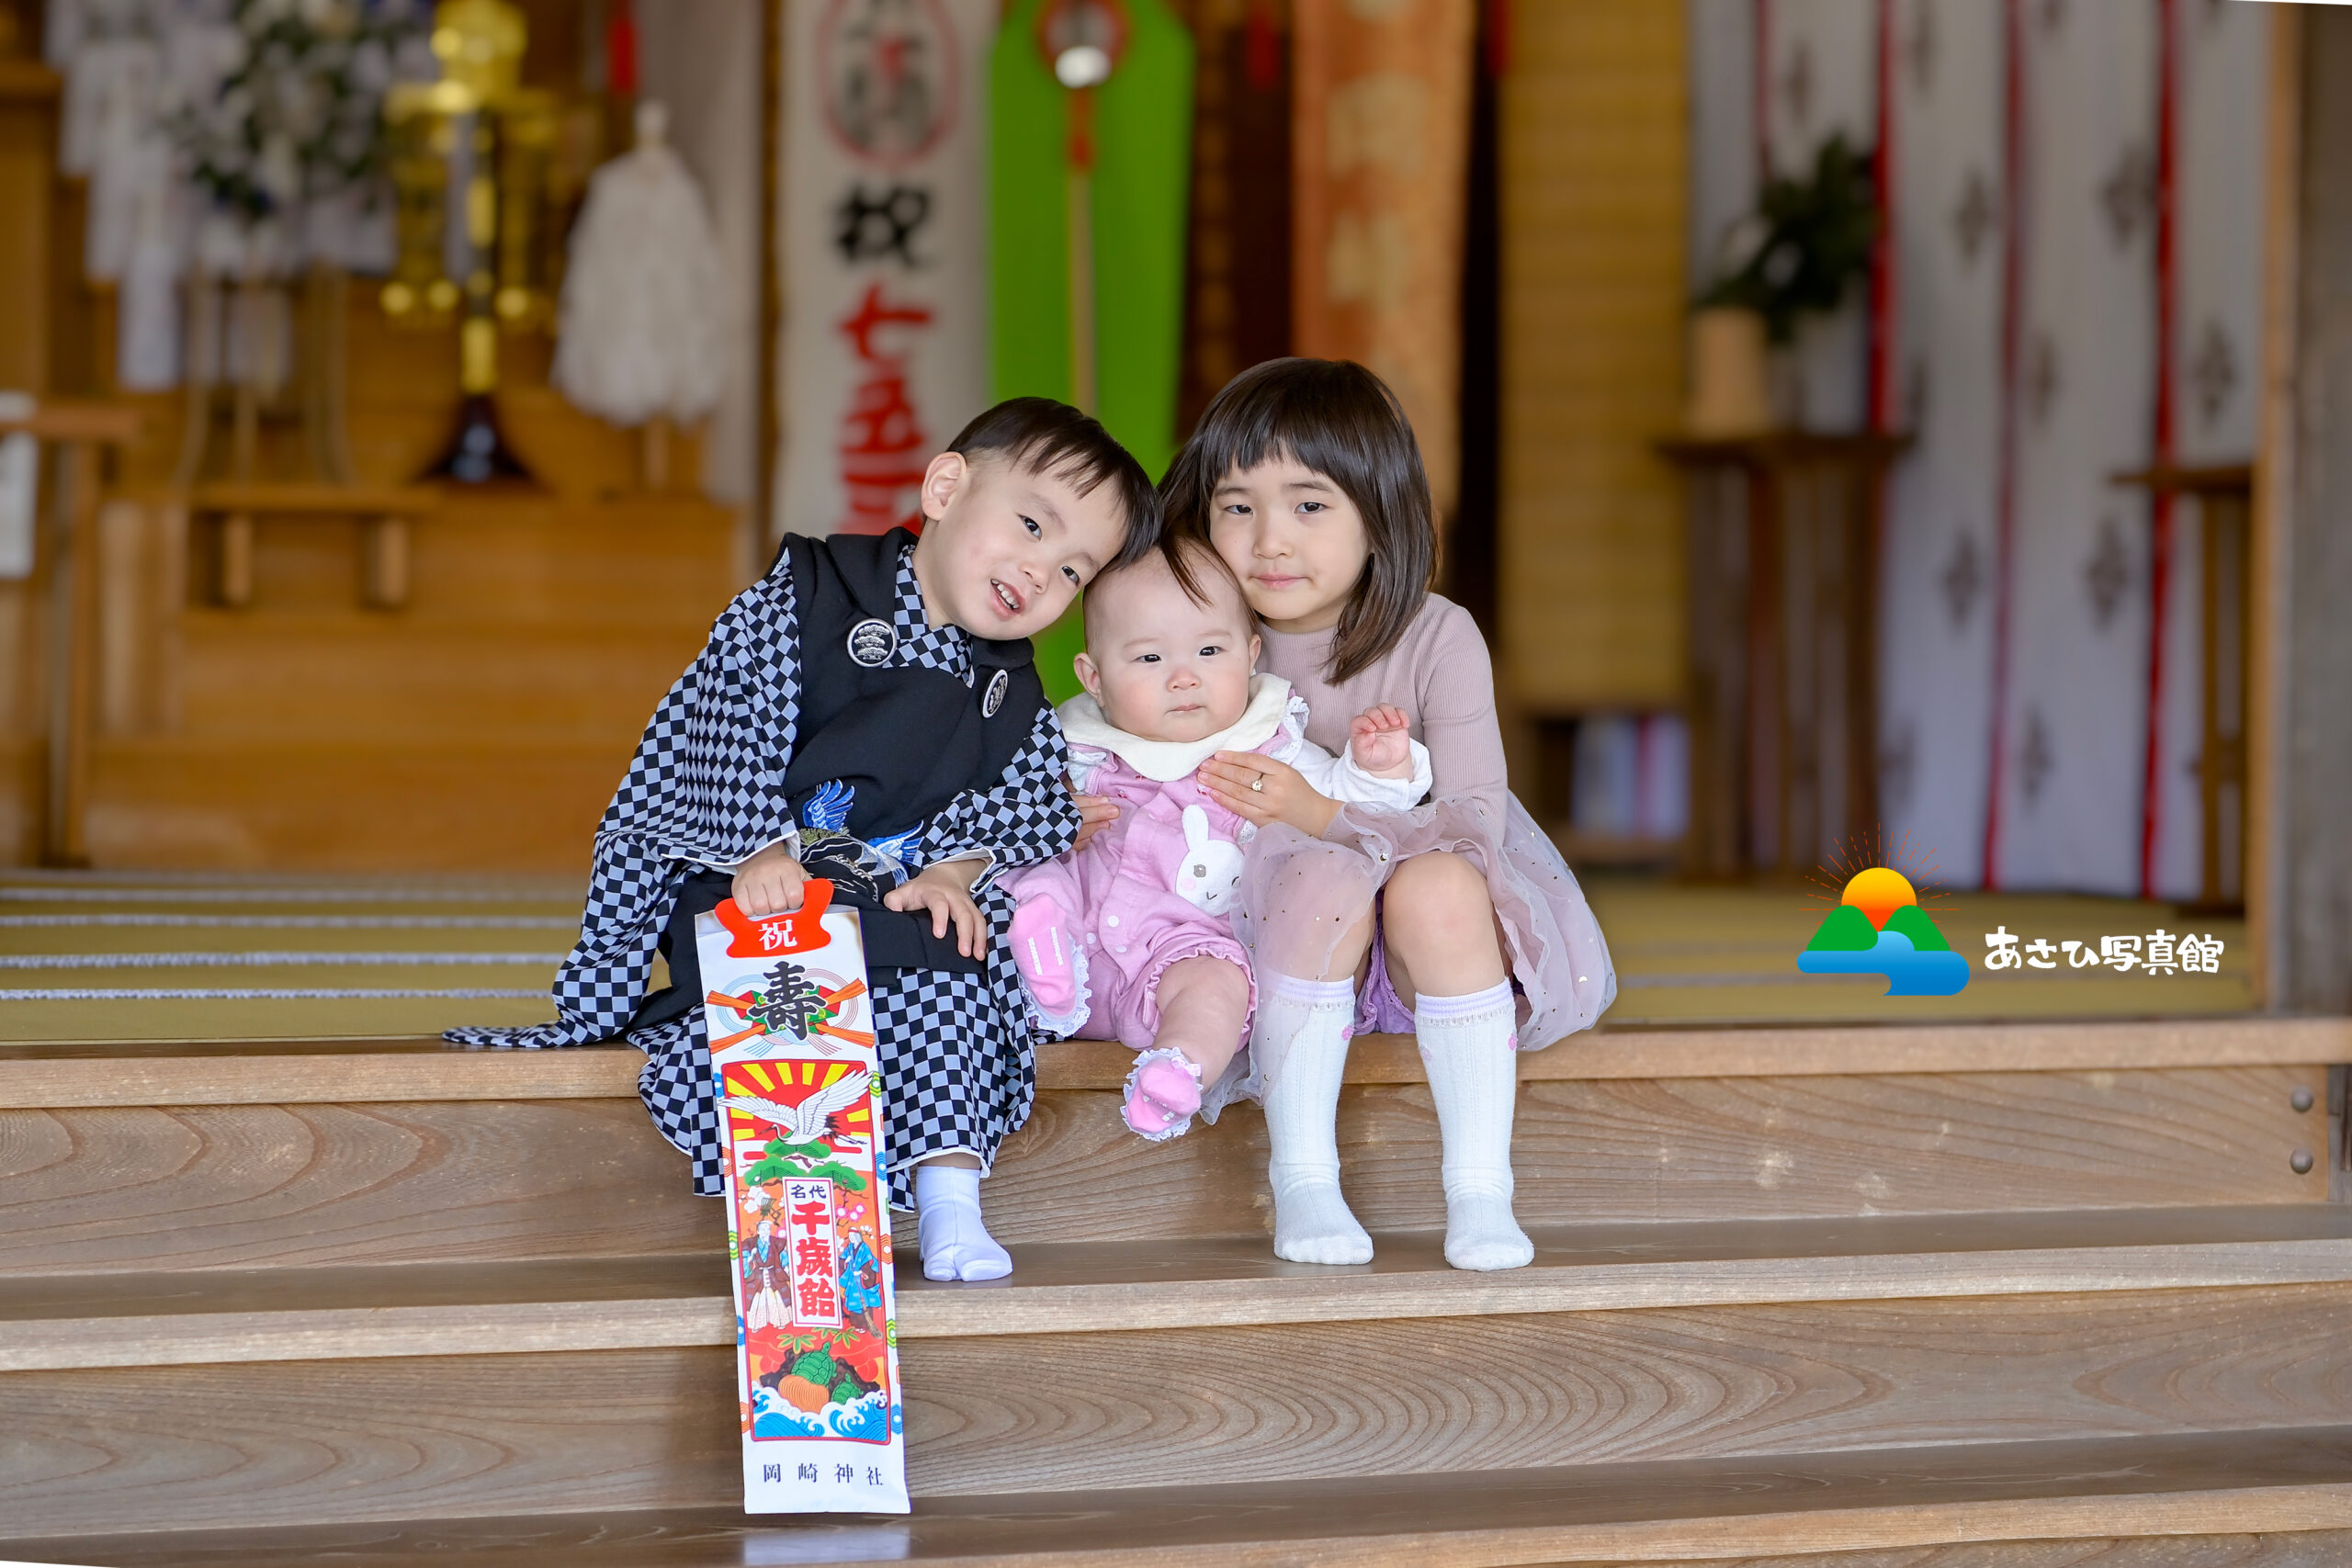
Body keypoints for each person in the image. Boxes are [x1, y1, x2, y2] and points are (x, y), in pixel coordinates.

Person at [448, 398, 1160, 1284]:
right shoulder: (812, 593)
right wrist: (755, 847)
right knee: (795, 977)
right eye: (1028, 525)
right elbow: (720, 721)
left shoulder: (1007, 689)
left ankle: (949, 1204)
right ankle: (803, 1209)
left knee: (957, 949)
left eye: (1070, 571)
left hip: (892, 907)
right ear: (945, 486)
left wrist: (953, 867)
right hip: (757, 887)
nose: (1037, 573)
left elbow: (1019, 801)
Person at [1161, 357, 1617, 1272]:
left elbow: (1474, 819)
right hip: (1256, 932)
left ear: (1380, 513)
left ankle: (1480, 1186)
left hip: (1416, 942)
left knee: (1441, 882)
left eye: (1309, 504)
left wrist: (1322, 809)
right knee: (1324, 878)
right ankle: (1304, 1179)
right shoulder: (1196, 633)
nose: (1268, 540)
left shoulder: (1435, 635)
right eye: (1237, 505)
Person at [1001, 536, 1432, 1142]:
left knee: (1220, 985)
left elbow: (1349, 802)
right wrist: (1051, 816)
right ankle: (1044, 949)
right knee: (1027, 865)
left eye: (1209, 650)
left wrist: (1378, 766)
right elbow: (1000, 817)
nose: (1183, 678)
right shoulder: (1073, 751)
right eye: (1149, 659)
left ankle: (1179, 1067)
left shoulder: (1267, 744)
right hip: (1080, 946)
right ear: (1093, 678)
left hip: (1182, 955)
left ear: (1251, 654)